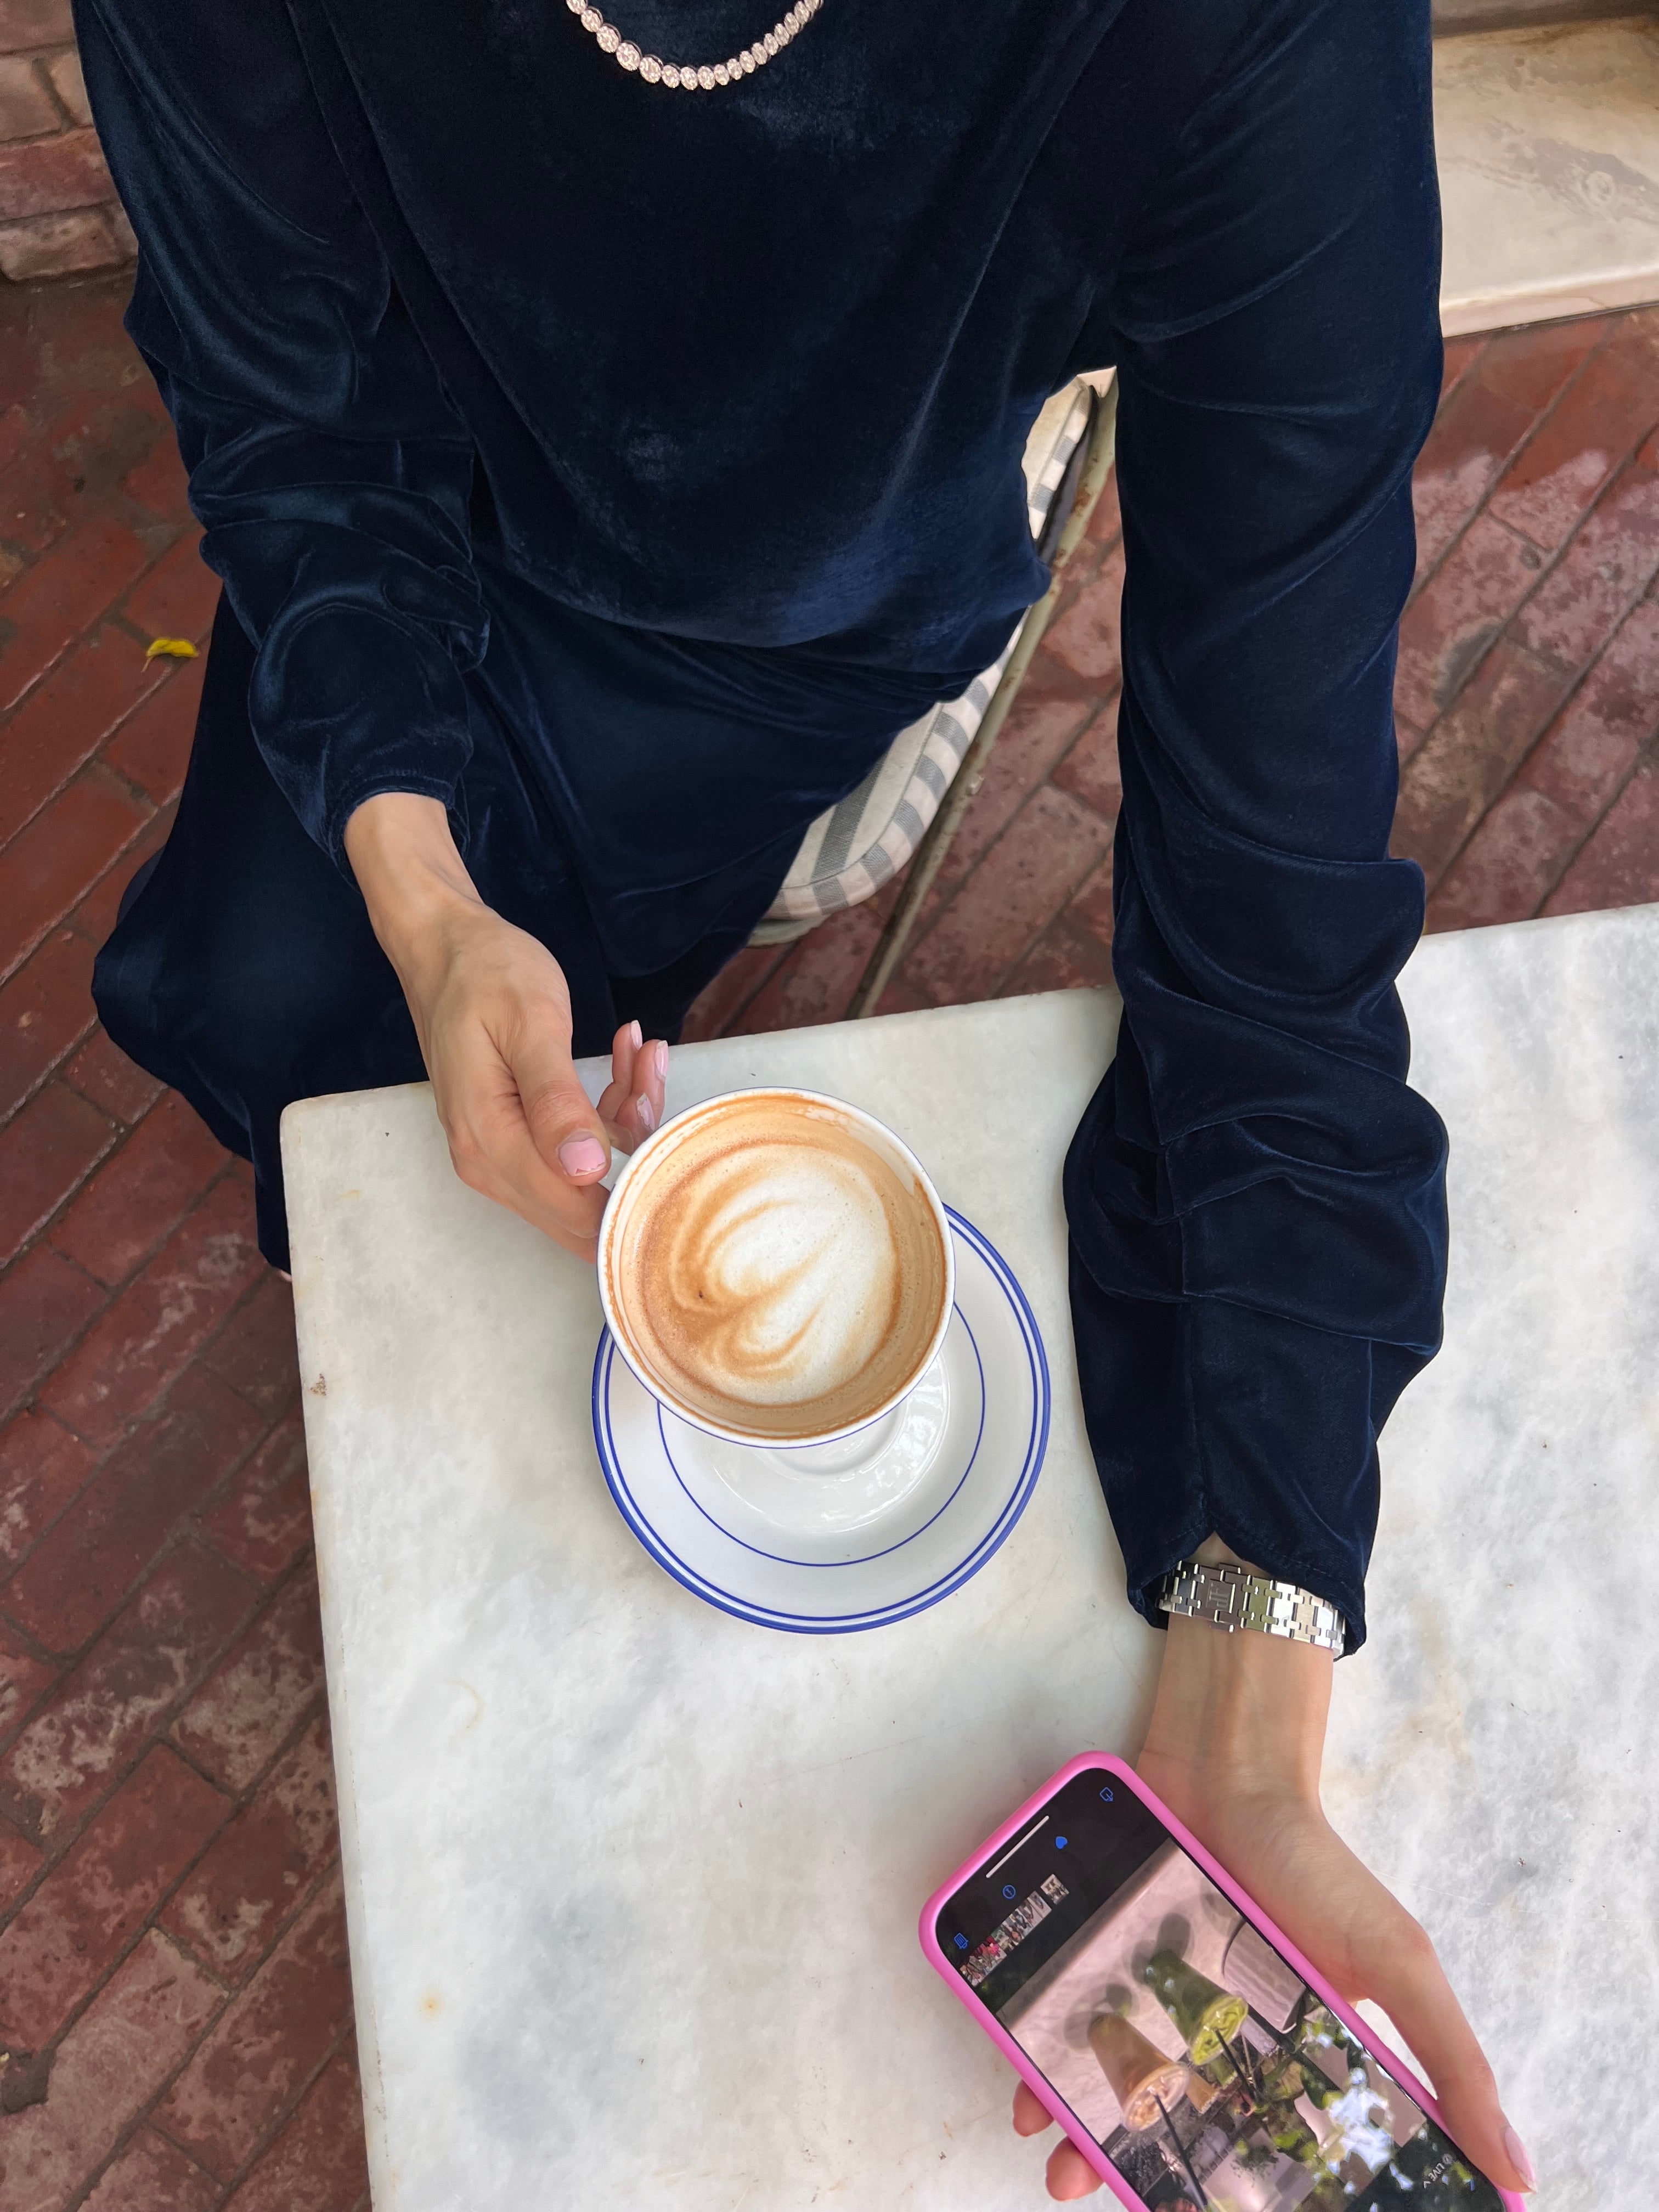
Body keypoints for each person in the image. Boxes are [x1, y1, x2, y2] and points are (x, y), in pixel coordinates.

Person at [80, 0, 1532, 2196]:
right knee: (296, 1023)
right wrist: (428, 884)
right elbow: (289, 412)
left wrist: (1255, 1647)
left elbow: (1274, 892)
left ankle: (827, 778)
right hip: (402, 522)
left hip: (792, 619)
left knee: (558, 1012)